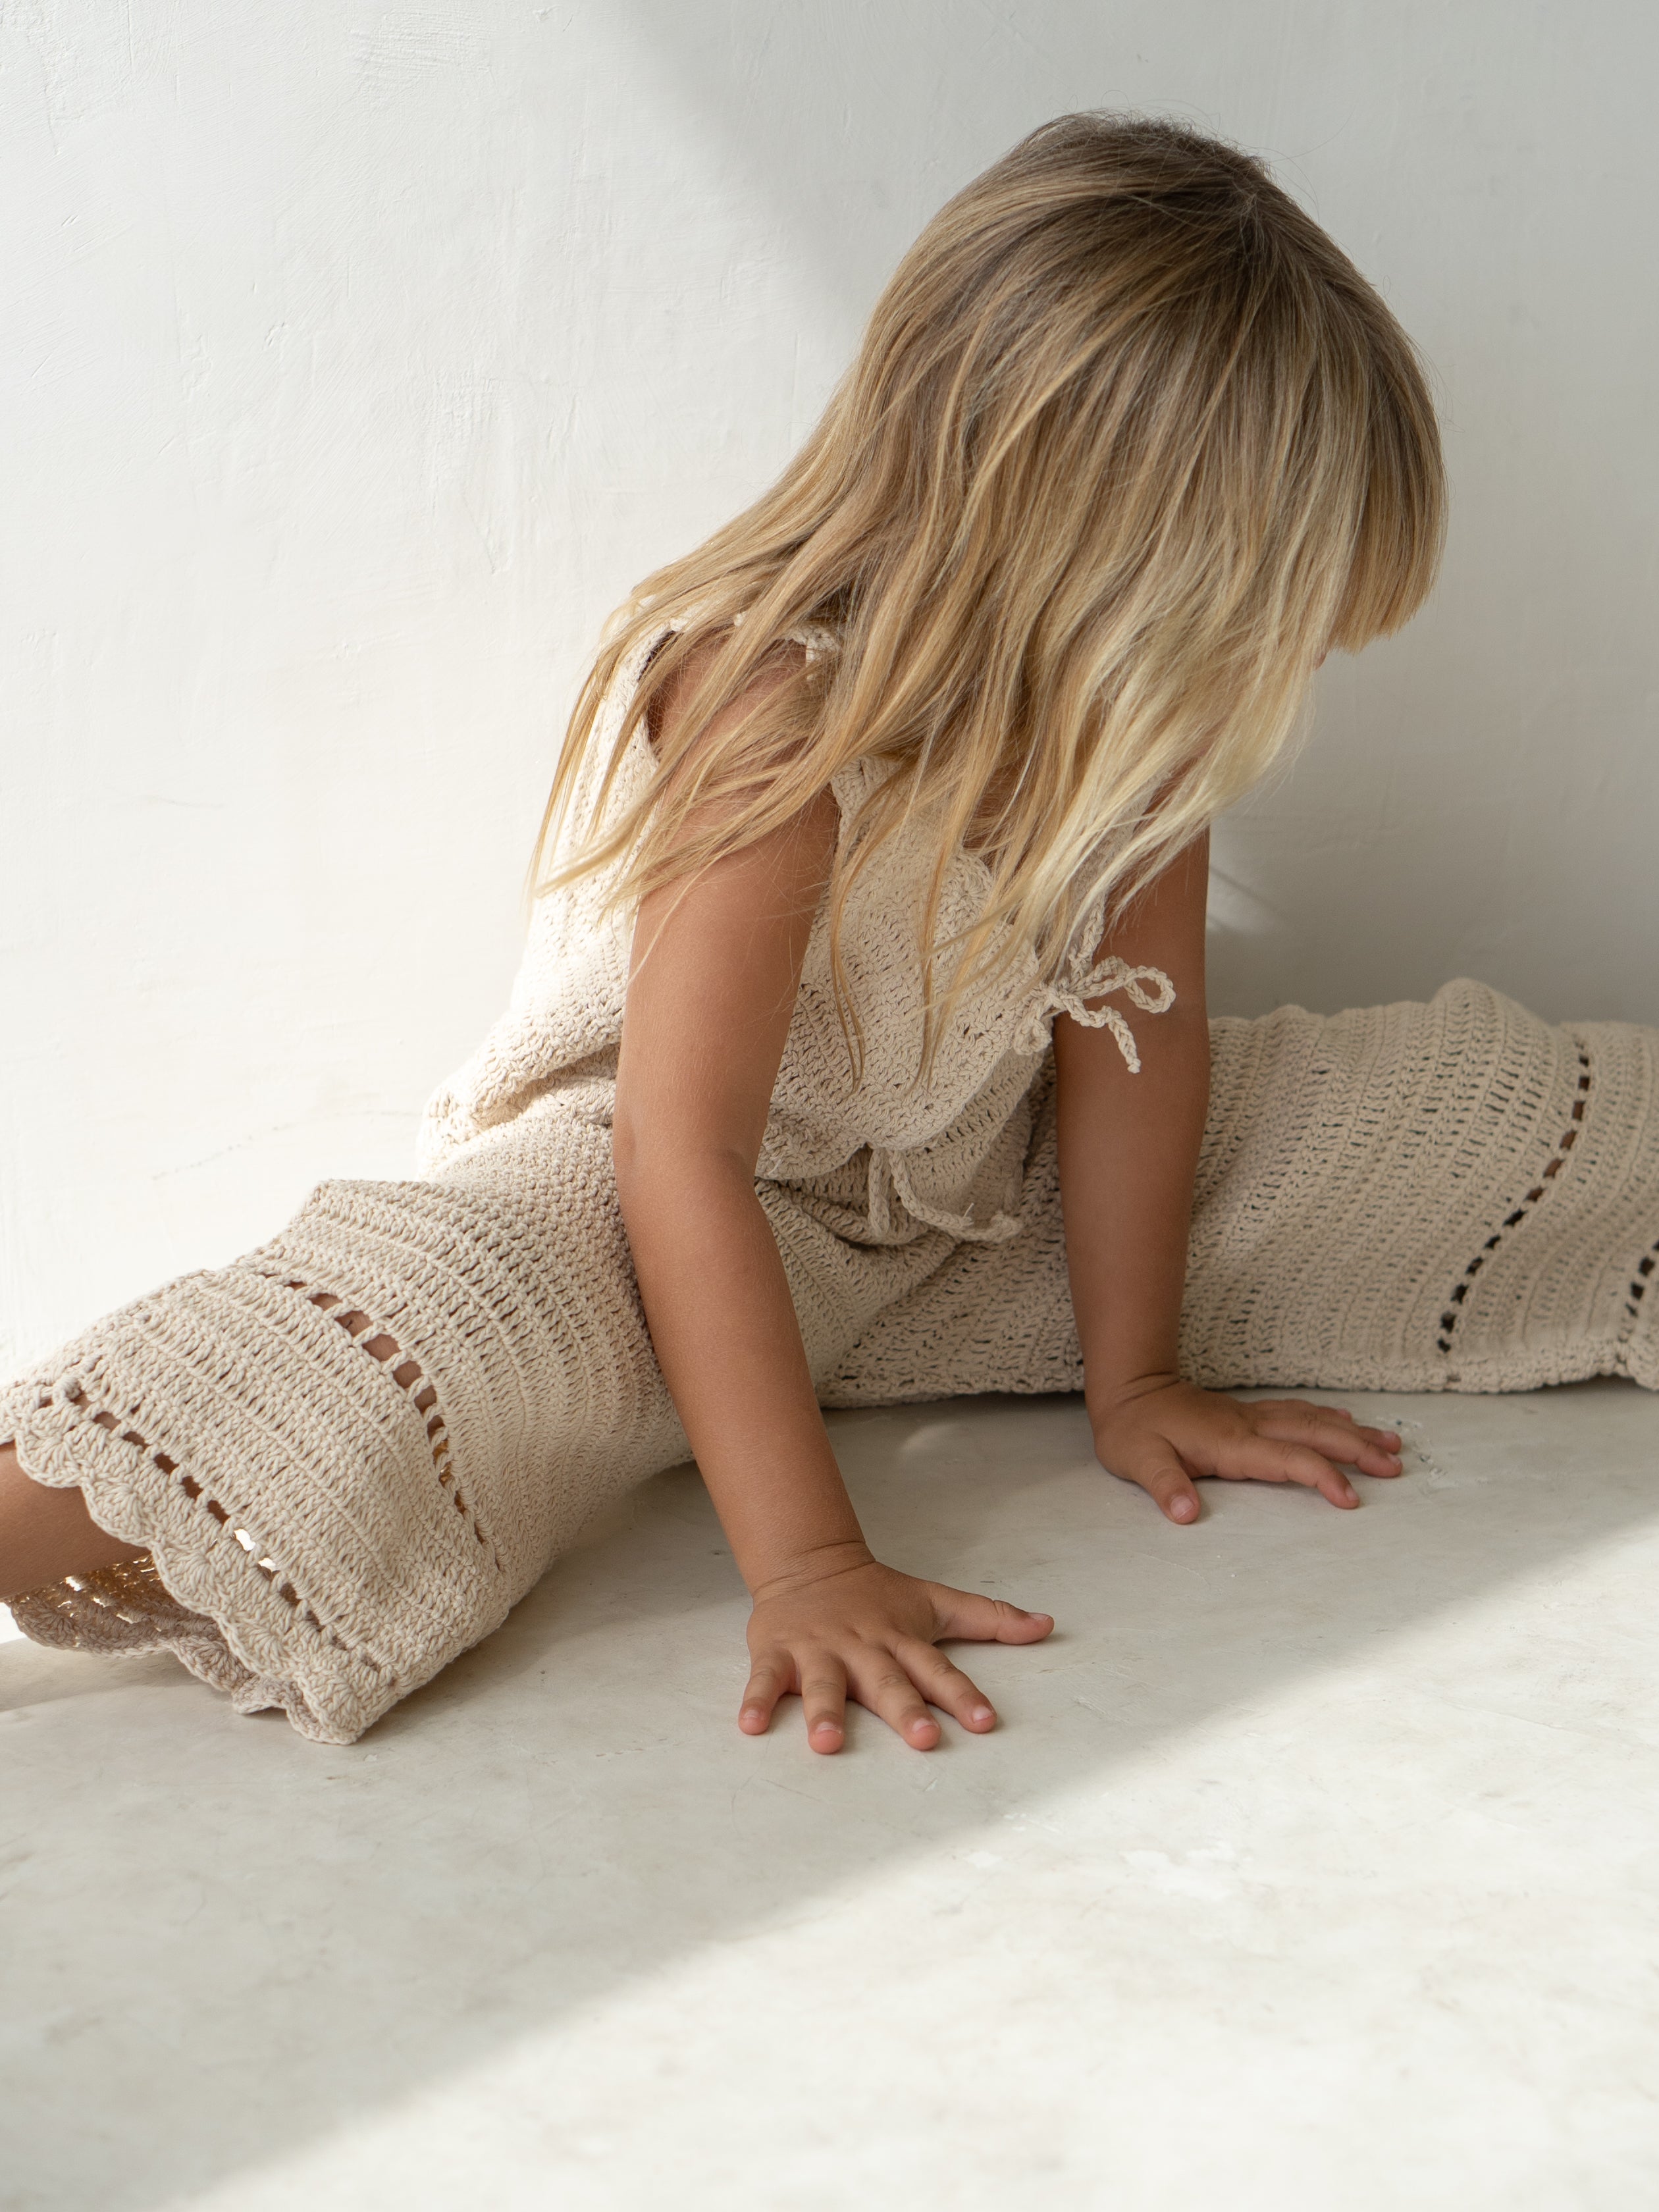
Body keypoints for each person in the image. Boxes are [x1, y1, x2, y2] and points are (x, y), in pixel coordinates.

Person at [0, 113, 1445, 1751]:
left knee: (1427, 1111)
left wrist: (1140, 1383)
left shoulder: (1131, 732)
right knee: (396, 1344)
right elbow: (675, 1153)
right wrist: (811, 1558)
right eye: (1250, 625)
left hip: (960, 1209)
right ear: (1087, 553)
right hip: (641, 1210)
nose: (1269, 685)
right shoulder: (777, 702)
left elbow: (1143, 1041)